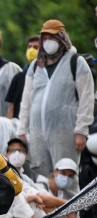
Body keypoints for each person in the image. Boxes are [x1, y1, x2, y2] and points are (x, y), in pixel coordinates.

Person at [16, 20, 95, 178]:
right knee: (40, 179)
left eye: (52, 37)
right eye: (44, 38)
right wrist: (21, 129)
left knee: (66, 179)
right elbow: (26, 101)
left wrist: (81, 131)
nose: (47, 42)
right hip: (37, 134)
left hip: (65, 133)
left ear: (61, 38)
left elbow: (87, 99)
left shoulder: (76, 62)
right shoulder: (35, 66)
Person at [6, 36, 40, 119]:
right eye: (29, 47)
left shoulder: (48, 77)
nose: (31, 50)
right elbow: (11, 108)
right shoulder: (19, 78)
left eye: (36, 47)